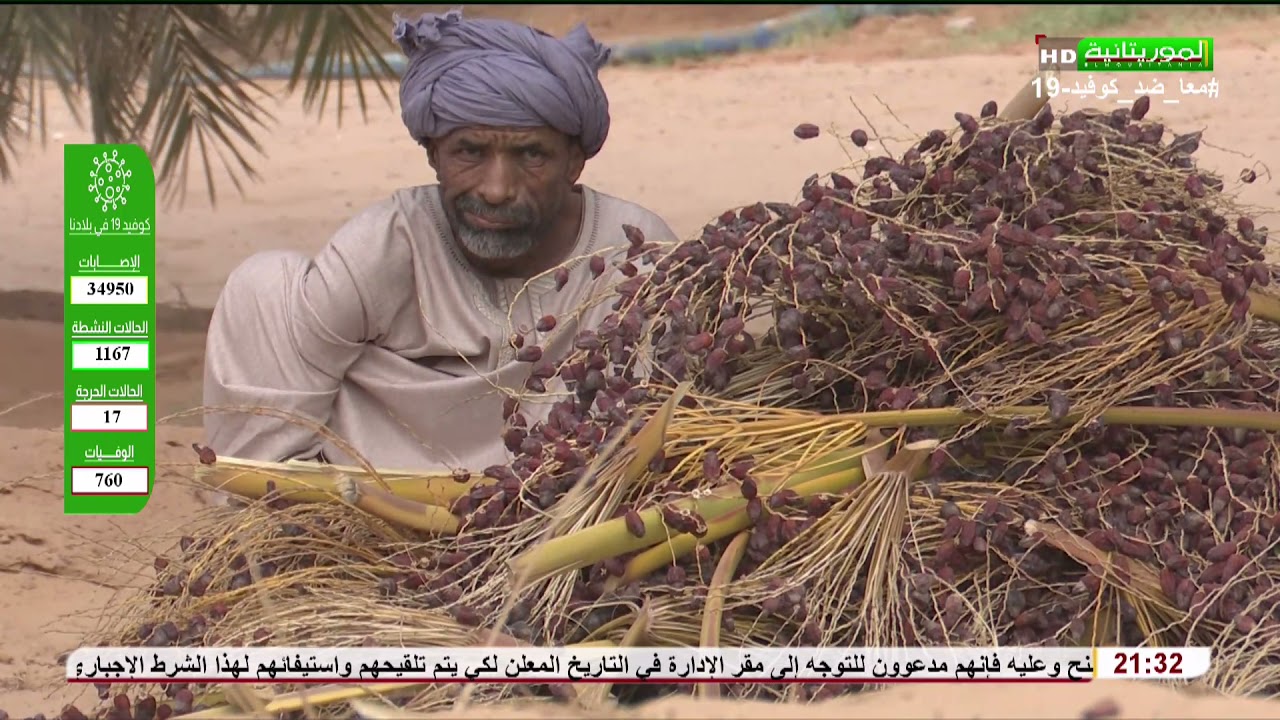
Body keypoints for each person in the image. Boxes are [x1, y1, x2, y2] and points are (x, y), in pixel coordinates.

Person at [202, 10, 678, 473]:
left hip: (565, 508)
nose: (496, 189)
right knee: (261, 289)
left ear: (574, 162)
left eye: (531, 155)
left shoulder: (633, 256)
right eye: (469, 152)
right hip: (371, 499)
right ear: (433, 154)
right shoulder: (389, 244)